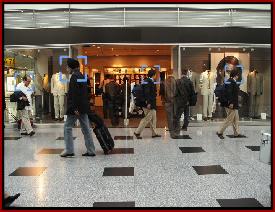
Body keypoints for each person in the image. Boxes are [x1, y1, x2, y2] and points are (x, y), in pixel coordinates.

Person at [60, 58, 96, 157]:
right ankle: (91, 150)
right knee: (86, 129)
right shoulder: (81, 75)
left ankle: (69, 150)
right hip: (83, 107)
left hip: (76, 108)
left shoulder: (74, 77)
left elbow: (75, 94)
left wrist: (75, 108)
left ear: (71, 67)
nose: (67, 68)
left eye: (67, 66)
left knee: (67, 127)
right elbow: (84, 93)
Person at [134, 69, 161, 139]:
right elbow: (147, 93)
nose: (156, 76)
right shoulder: (148, 82)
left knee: (154, 119)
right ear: (154, 75)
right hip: (148, 104)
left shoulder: (148, 81)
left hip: (151, 103)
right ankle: (137, 132)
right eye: (155, 75)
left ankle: (154, 133)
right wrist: (148, 103)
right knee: (147, 118)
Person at [216, 69, 242, 139]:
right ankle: (220, 132)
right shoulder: (230, 82)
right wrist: (231, 103)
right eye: (237, 75)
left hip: (234, 104)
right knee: (229, 119)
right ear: (235, 75)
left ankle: (237, 133)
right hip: (231, 104)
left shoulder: (232, 81)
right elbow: (229, 93)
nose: (238, 76)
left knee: (236, 119)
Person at [174, 69, 196, 135]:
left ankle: (177, 128)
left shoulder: (177, 81)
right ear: (186, 73)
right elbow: (192, 93)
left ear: (181, 73)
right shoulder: (190, 82)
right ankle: (185, 127)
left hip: (180, 102)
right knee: (186, 115)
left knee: (178, 115)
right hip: (187, 102)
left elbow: (175, 92)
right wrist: (190, 101)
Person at [163, 72, 177, 138]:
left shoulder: (164, 82)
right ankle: (175, 131)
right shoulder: (176, 81)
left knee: (169, 118)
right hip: (174, 101)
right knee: (175, 116)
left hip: (167, 102)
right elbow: (177, 92)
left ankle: (172, 132)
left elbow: (163, 93)